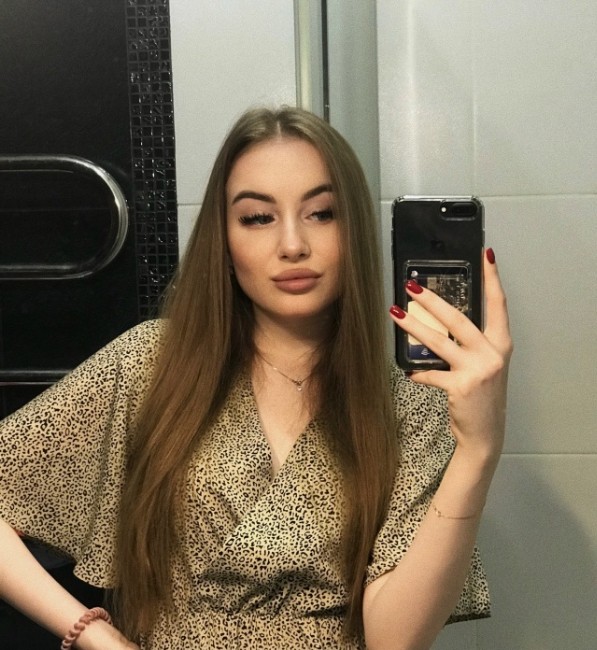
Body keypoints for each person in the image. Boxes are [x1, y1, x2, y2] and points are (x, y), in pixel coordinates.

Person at [0, 106, 512, 649]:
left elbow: (393, 641)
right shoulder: (153, 364)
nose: (292, 244)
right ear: (224, 240)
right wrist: (94, 634)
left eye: (321, 213)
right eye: (258, 218)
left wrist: (479, 450)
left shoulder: (408, 403)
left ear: (355, 231)